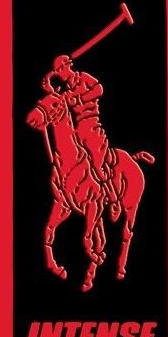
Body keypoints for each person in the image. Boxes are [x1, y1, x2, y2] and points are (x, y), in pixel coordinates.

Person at [50, 55, 120, 219]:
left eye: (60, 70)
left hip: (92, 126)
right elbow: (56, 103)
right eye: (57, 71)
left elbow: (99, 89)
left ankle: (113, 197)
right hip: (76, 129)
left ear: (67, 67)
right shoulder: (66, 92)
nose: (60, 73)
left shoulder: (83, 77)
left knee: (97, 163)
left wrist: (80, 98)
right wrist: (49, 87)